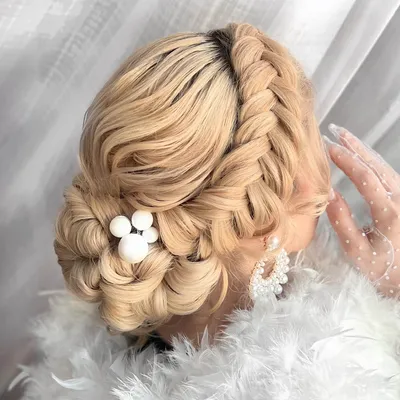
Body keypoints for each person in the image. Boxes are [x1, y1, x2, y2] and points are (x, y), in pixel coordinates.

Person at [16, 23, 400, 399]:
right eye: (308, 139)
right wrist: (387, 297)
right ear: (265, 222)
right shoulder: (328, 378)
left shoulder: (94, 333)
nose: (323, 182)